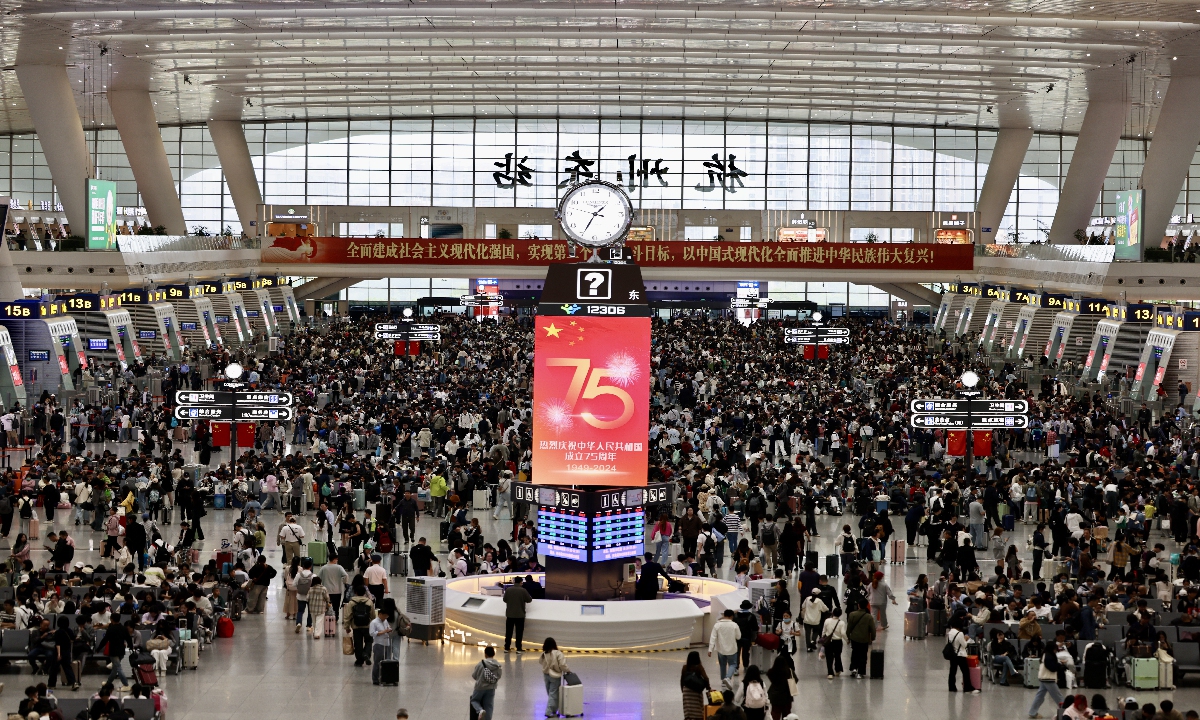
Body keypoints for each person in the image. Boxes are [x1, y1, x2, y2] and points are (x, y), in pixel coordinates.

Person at [1028, 636, 1067, 718]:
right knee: (1058, 697)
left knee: (1039, 697)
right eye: (1055, 649)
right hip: (1048, 679)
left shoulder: (1045, 654)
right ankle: (1065, 713)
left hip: (1044, 678)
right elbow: (1052, 668)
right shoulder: (1049, 656)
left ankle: (1032, 712)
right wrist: (1060, 666)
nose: (1056, 651)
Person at [342, 586, 376, 668]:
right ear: (364, 593)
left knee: (358, 643)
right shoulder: (369, 602)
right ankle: (366, 653)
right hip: (367, 626)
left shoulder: (352, 602)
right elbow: (373, 616)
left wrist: (347, 627)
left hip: (356, 626)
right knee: (369, 640)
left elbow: (348, 616)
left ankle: (359, 661)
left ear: (355, 592)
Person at [708, 608, 742, 687]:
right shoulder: (734, 625)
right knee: (733, 664)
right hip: (732, 649)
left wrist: (710, 649)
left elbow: (713, 637)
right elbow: (739, 637)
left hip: (721, 649)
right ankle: (727, 678)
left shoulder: (717, 625)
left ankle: (723, 681)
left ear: (724, 615)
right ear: (731, 616)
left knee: (722, 665)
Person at [539, 637, 569, 718]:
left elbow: (540, 662)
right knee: (553, 694)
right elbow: (562, 665)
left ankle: (554, 711)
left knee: (550, 693)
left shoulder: (543, 654)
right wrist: (568, 671)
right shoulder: (558, 653)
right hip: (555, 676)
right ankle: (548, 711)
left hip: (546, 675)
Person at [845, 600, 876, 679]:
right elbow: (872, 629)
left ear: (858, 605)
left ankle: (854, 668)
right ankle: (861, 672)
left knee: (855, 653)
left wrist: (848, 636)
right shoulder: (869, 617)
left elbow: (849, 627)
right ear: (866, 605)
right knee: (863, 655)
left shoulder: (852, 614)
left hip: (854, 638)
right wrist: (872, 638)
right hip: (864, 639)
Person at [470, 645, 502, 720]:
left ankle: (480, 710)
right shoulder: (498, 665)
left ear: (485, 654)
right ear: (494, 654)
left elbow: (474, 675)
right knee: (489, 706)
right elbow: (499, 676)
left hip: (480, 687)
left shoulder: (481, 663)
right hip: (491, 688)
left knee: (474, 700)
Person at [503, 578, 533, 652]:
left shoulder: (508, 590)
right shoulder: (523, 590)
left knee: (508, 632)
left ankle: (507, 647)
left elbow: (504, 599)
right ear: (521, 582)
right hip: (520, 615)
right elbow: (529, 600)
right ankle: (518, 648)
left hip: (510, 614)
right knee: (519, 632)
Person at [764, 652, 797, 720]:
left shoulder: (772, 672)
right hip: (787, 696)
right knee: (787, 714)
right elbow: (795, 680)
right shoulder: (789, 671)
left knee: (775, 714)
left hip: (775, 697)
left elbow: (771, 678)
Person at [680, 650, 710, 720]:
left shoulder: (685, 667)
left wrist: (683, 690)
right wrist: (708, 688)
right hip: (696, 691)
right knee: (698, 709)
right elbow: (706, 678)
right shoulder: (699, 667)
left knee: (688, 710)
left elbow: (682, 680)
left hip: (686, 691)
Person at [820, 607, 847, 678]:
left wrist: (823, 638)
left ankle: (830, 673)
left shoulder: (827, 620)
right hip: (838, 642)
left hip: (829, 642)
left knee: (829, 657)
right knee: (837, 656)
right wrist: (847, 640)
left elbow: (824, 631)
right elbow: (843, 633)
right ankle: (837, 670)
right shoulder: (841, 623)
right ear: (840, 614)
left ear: (832, 613)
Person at [370, 608, 392, 686]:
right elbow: (372, 633)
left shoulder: (385, 621)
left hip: (386, 643)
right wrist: (383, 632)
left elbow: (387, 628)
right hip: (379, 644)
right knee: (377, 662)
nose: (385, 617)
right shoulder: (374, 622)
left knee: (386, 661)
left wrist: (389, 630)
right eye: (385, 616)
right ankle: (375, 679)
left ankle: (385, 677)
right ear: (380, 614)